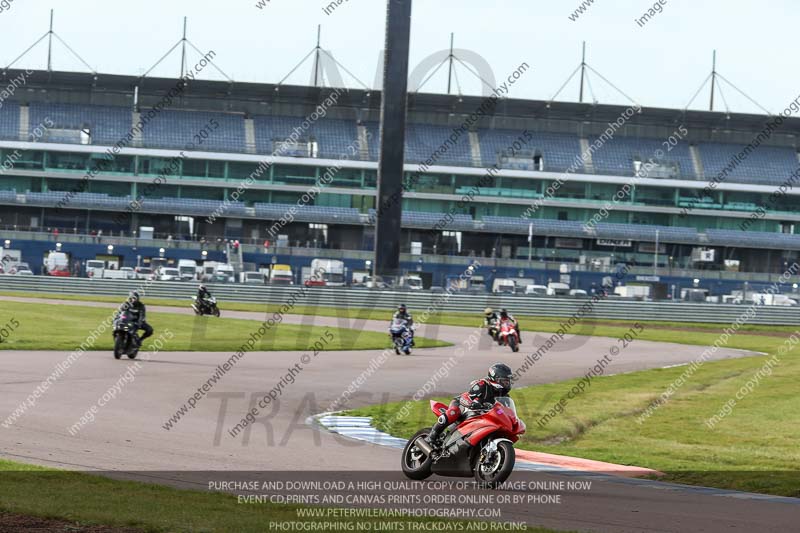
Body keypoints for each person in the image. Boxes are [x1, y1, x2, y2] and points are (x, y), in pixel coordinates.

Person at [427, 363, 514, 446]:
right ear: (495, 379)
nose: (507, 384)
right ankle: (431, 437)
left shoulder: (504, 396)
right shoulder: (482, 385)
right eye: (505, 381)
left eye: (508, 381)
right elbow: (467, 397)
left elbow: (506, 411)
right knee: (453, 412)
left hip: (482, 416)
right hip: (463, 405)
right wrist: (473, 404)